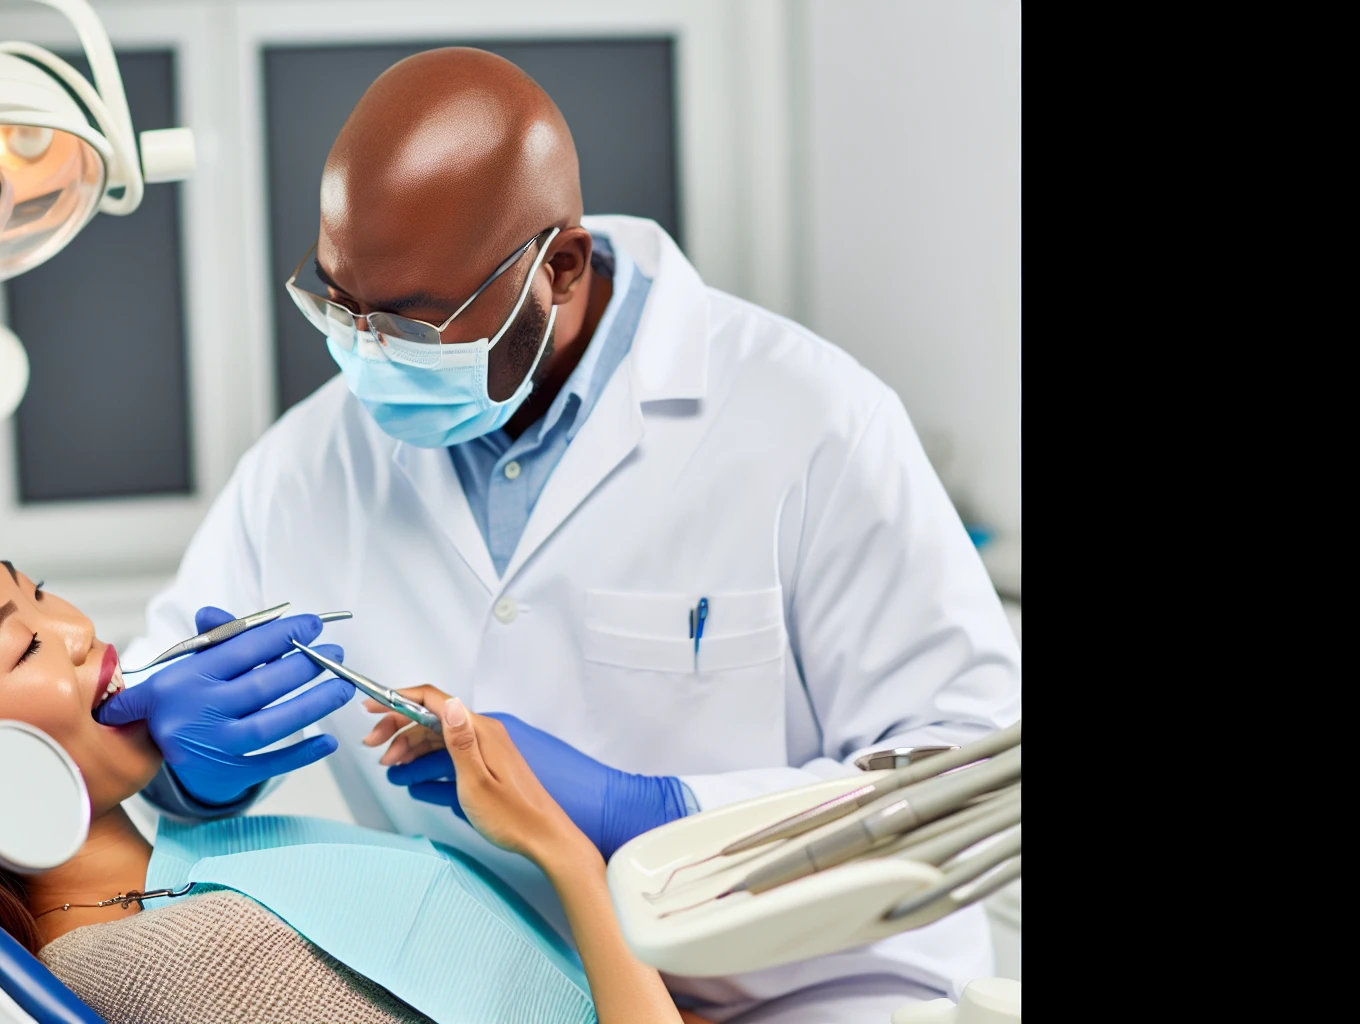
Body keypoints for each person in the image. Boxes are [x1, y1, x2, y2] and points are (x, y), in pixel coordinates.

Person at [127, 46, 1022, 1021]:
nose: (364, 355)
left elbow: (967, 767)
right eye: (338, 306)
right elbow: (147, 702)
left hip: (820, 989)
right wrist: (182, 766)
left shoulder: (814, 420)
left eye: (414, 327)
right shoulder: (303, 465)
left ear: (557, 266)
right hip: (504, 991)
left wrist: (654, 811)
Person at [0, 523, 716, 1024]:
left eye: (41, 591)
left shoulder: (173, 876)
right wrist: (566, 850)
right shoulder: (179, 954)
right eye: (28, 646)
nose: (78, 629)